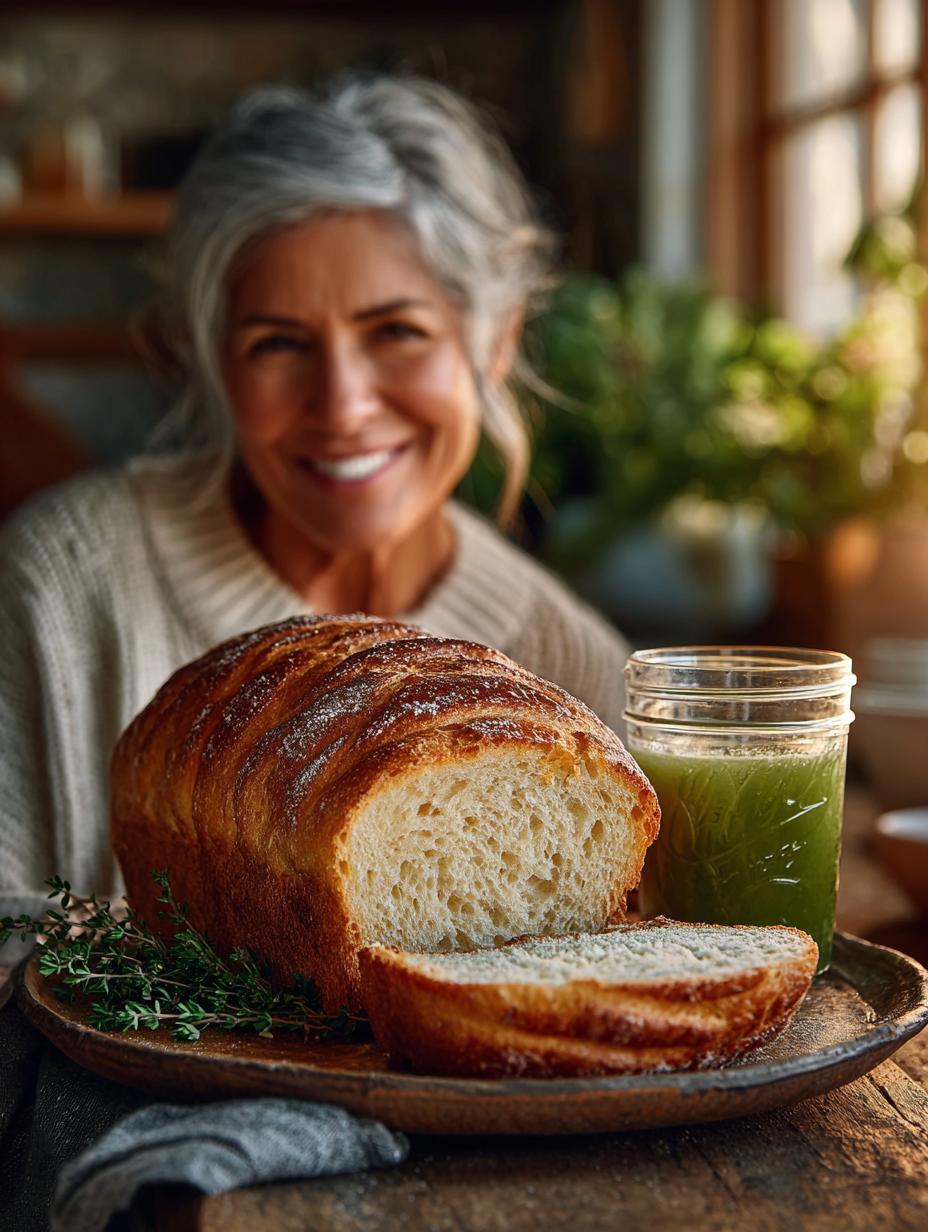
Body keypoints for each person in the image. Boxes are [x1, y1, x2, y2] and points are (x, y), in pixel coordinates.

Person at [0, 75, 630, 919]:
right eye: (279, 344)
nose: (342, 406)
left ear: (495, 343)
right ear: (213, 360)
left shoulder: (575, 674)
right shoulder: (65, 588)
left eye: (397, 332)